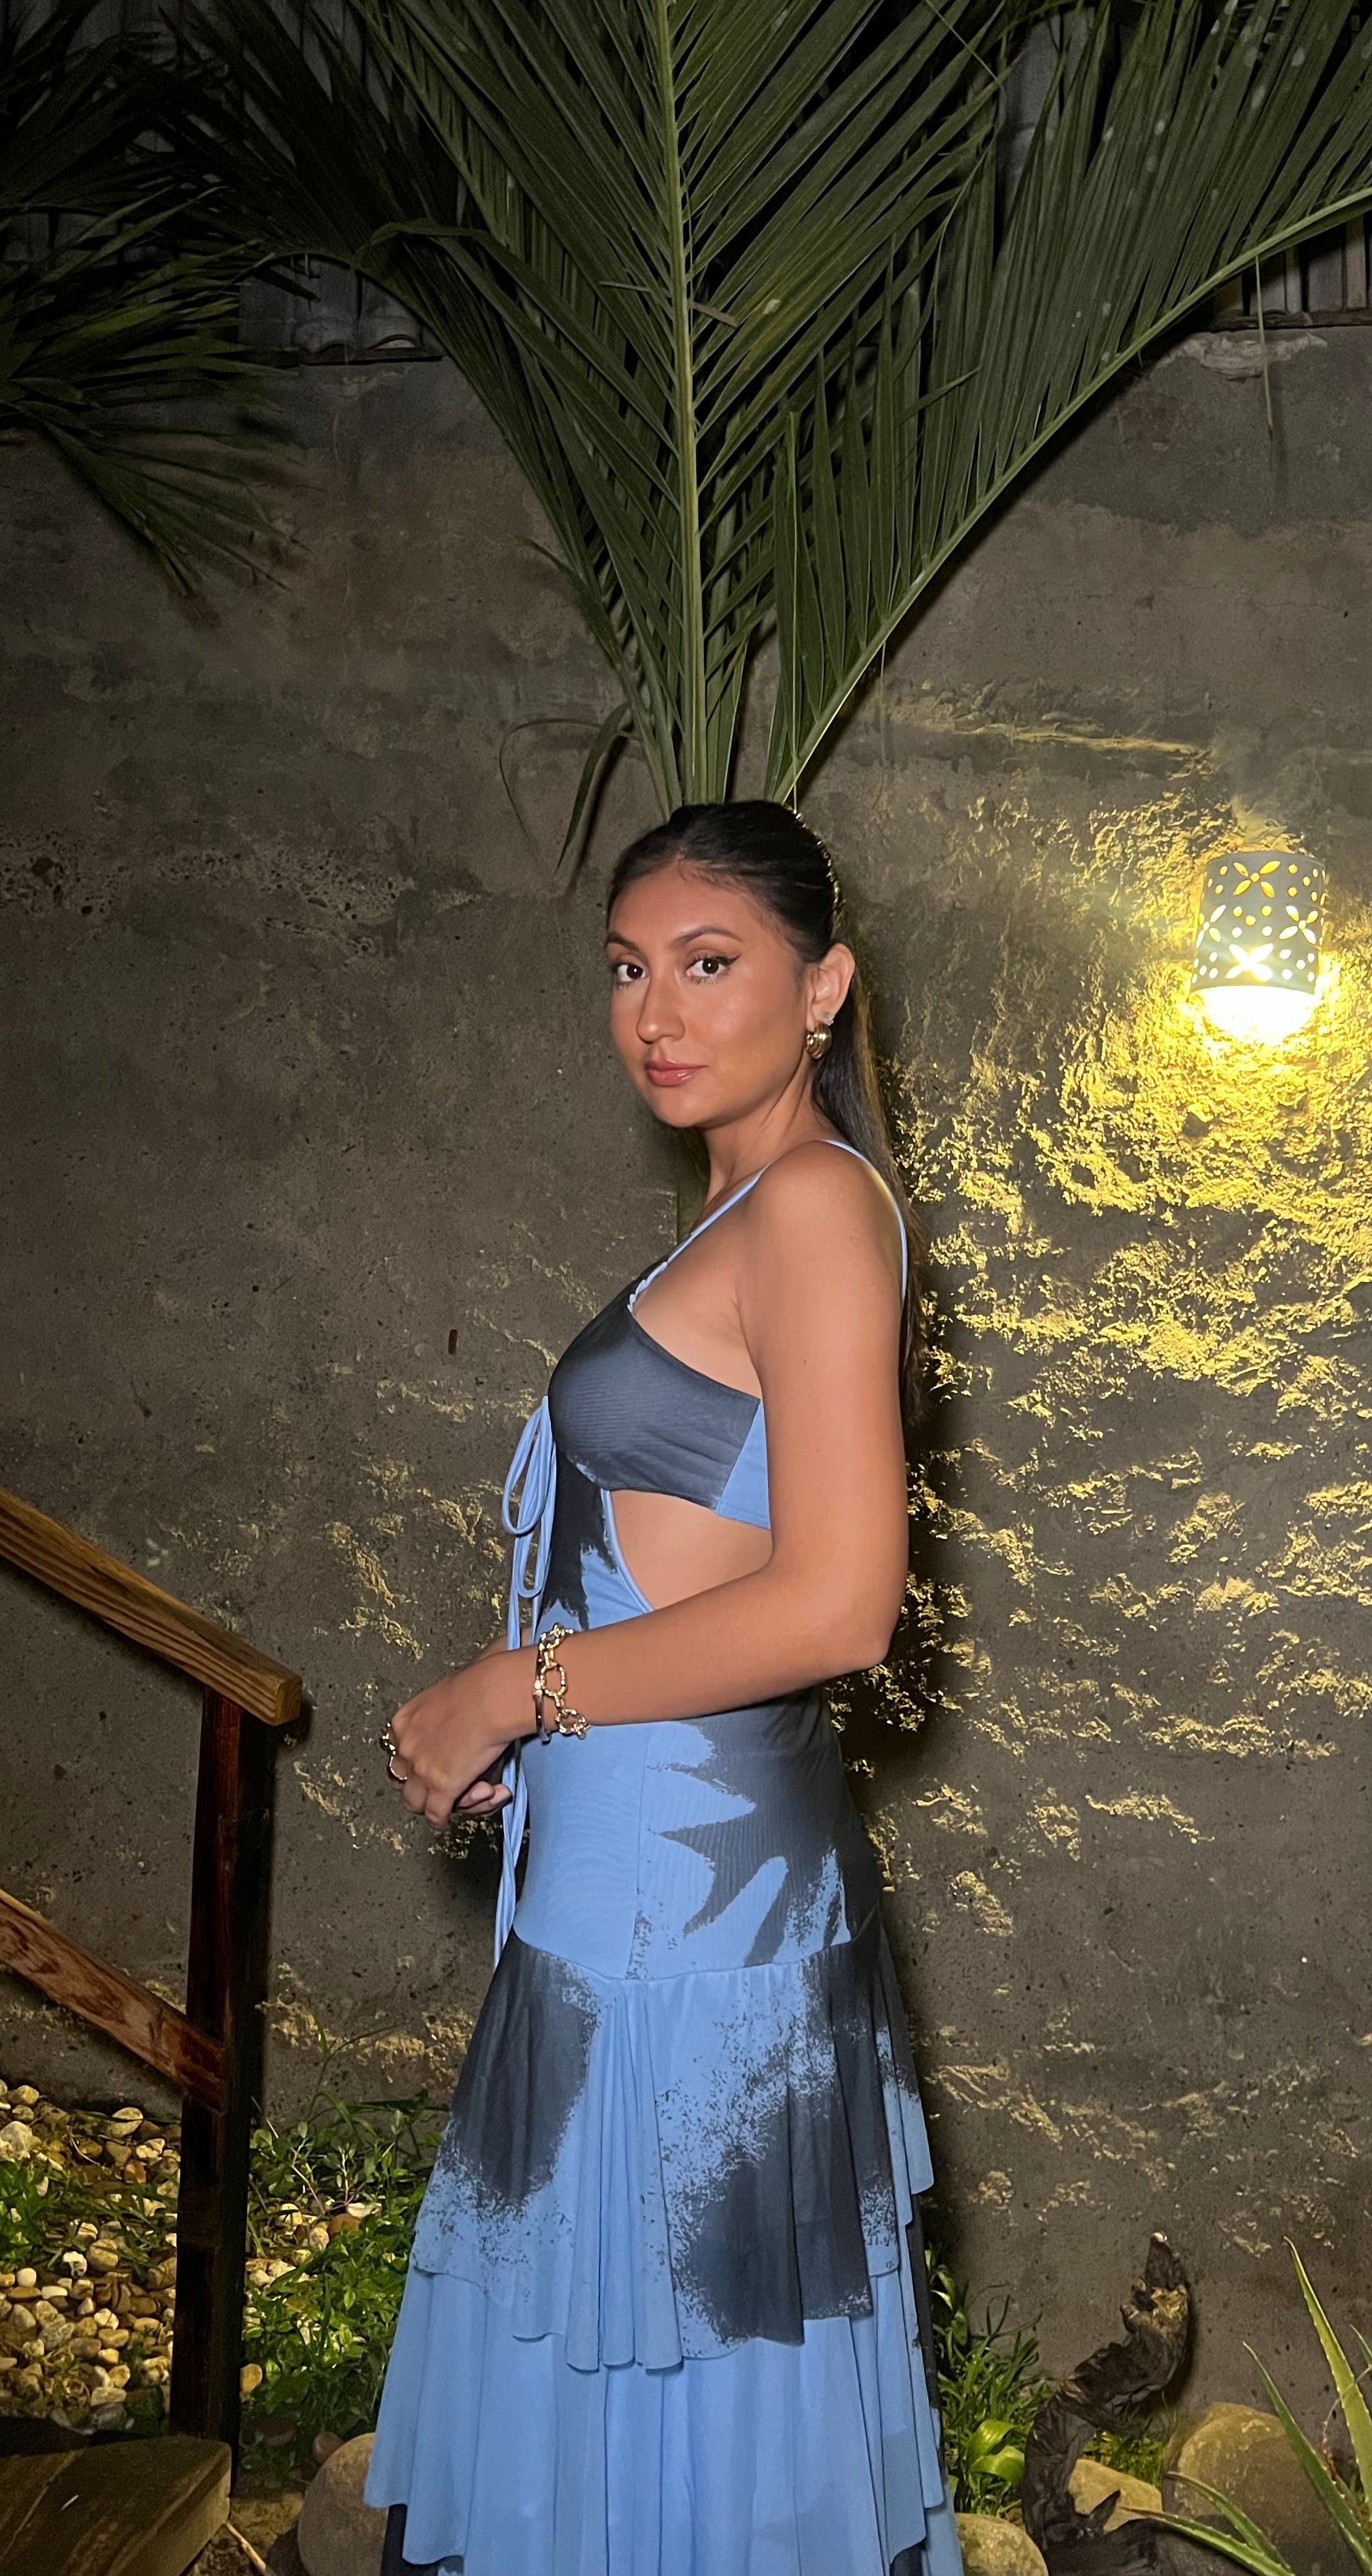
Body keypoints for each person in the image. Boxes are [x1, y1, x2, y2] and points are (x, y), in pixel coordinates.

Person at [366, 800, 961, 2575]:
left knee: (671, 2437)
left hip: (688, 1941)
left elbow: (842, 1605)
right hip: (636, 1903)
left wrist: (515, 1690)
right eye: (629, 970)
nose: (657, 1014)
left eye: (710, 965)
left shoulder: (816, 1211)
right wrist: (529, 1726)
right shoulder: (744, 1209)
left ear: (823, 988)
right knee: (619, 2434)